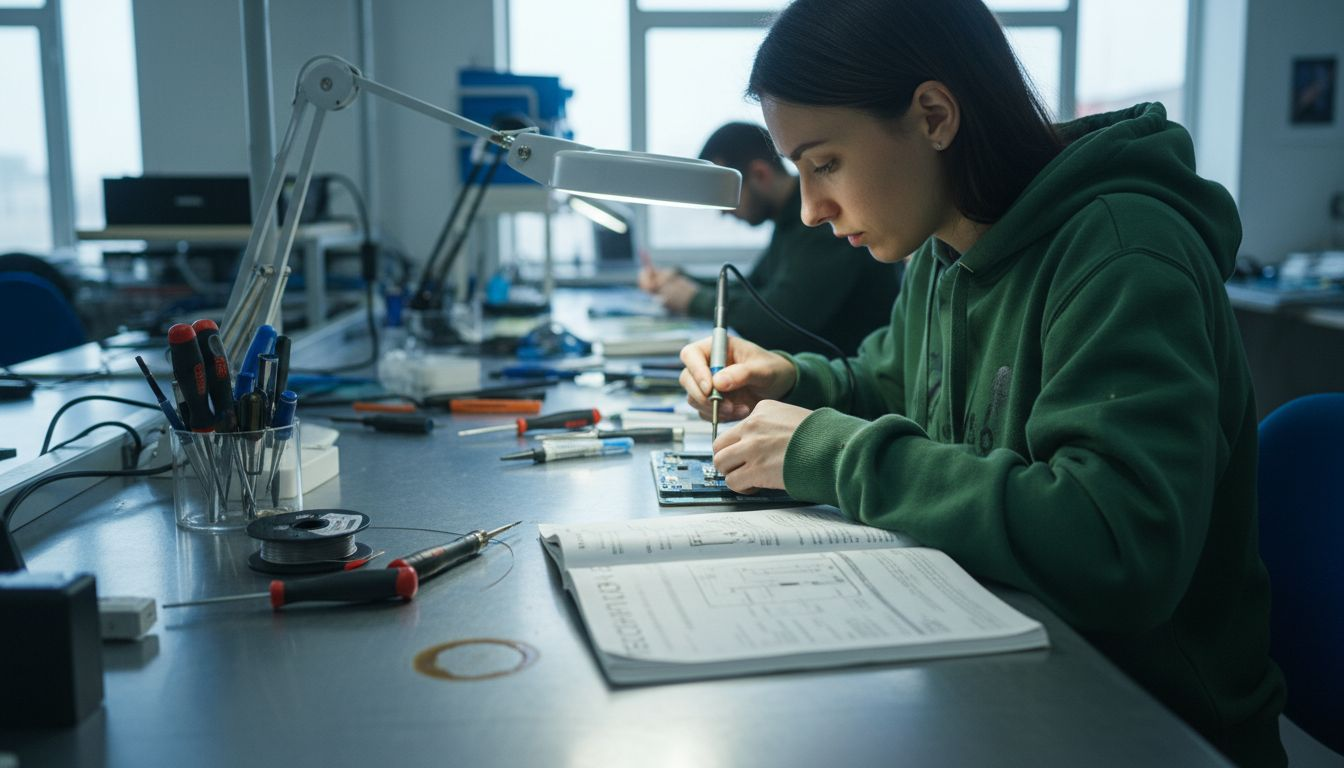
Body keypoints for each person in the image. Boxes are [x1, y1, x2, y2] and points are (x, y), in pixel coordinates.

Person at [677, 1, 1286, 765]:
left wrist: (827, 451)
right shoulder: (943, 249)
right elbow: (893, 385)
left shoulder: (1124, 252)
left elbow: (1117, 545)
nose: (810, 207)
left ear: (934, 115)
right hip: (1001, 673)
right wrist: (793, 381)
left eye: (824, 162)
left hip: (1147, 724)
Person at [638, 121, 901, 355]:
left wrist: (694, 300)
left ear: (760, 174)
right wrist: (680, 280)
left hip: (848, 383)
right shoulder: (787, 222)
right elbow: (753, 287)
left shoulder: (823, 225)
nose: (723, 212)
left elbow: (779, 320)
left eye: (726, 196)